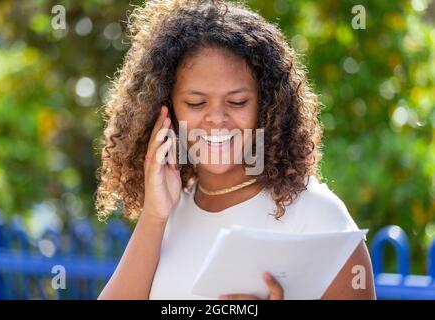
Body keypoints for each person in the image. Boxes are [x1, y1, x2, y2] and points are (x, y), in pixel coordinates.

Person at [96, 0, 376, 300]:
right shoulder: (167, 212)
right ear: (167, 111)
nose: (217, 119)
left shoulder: (318, 219)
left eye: (237, 102)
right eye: (196, 103)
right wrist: (154, 215)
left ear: (267, 106)